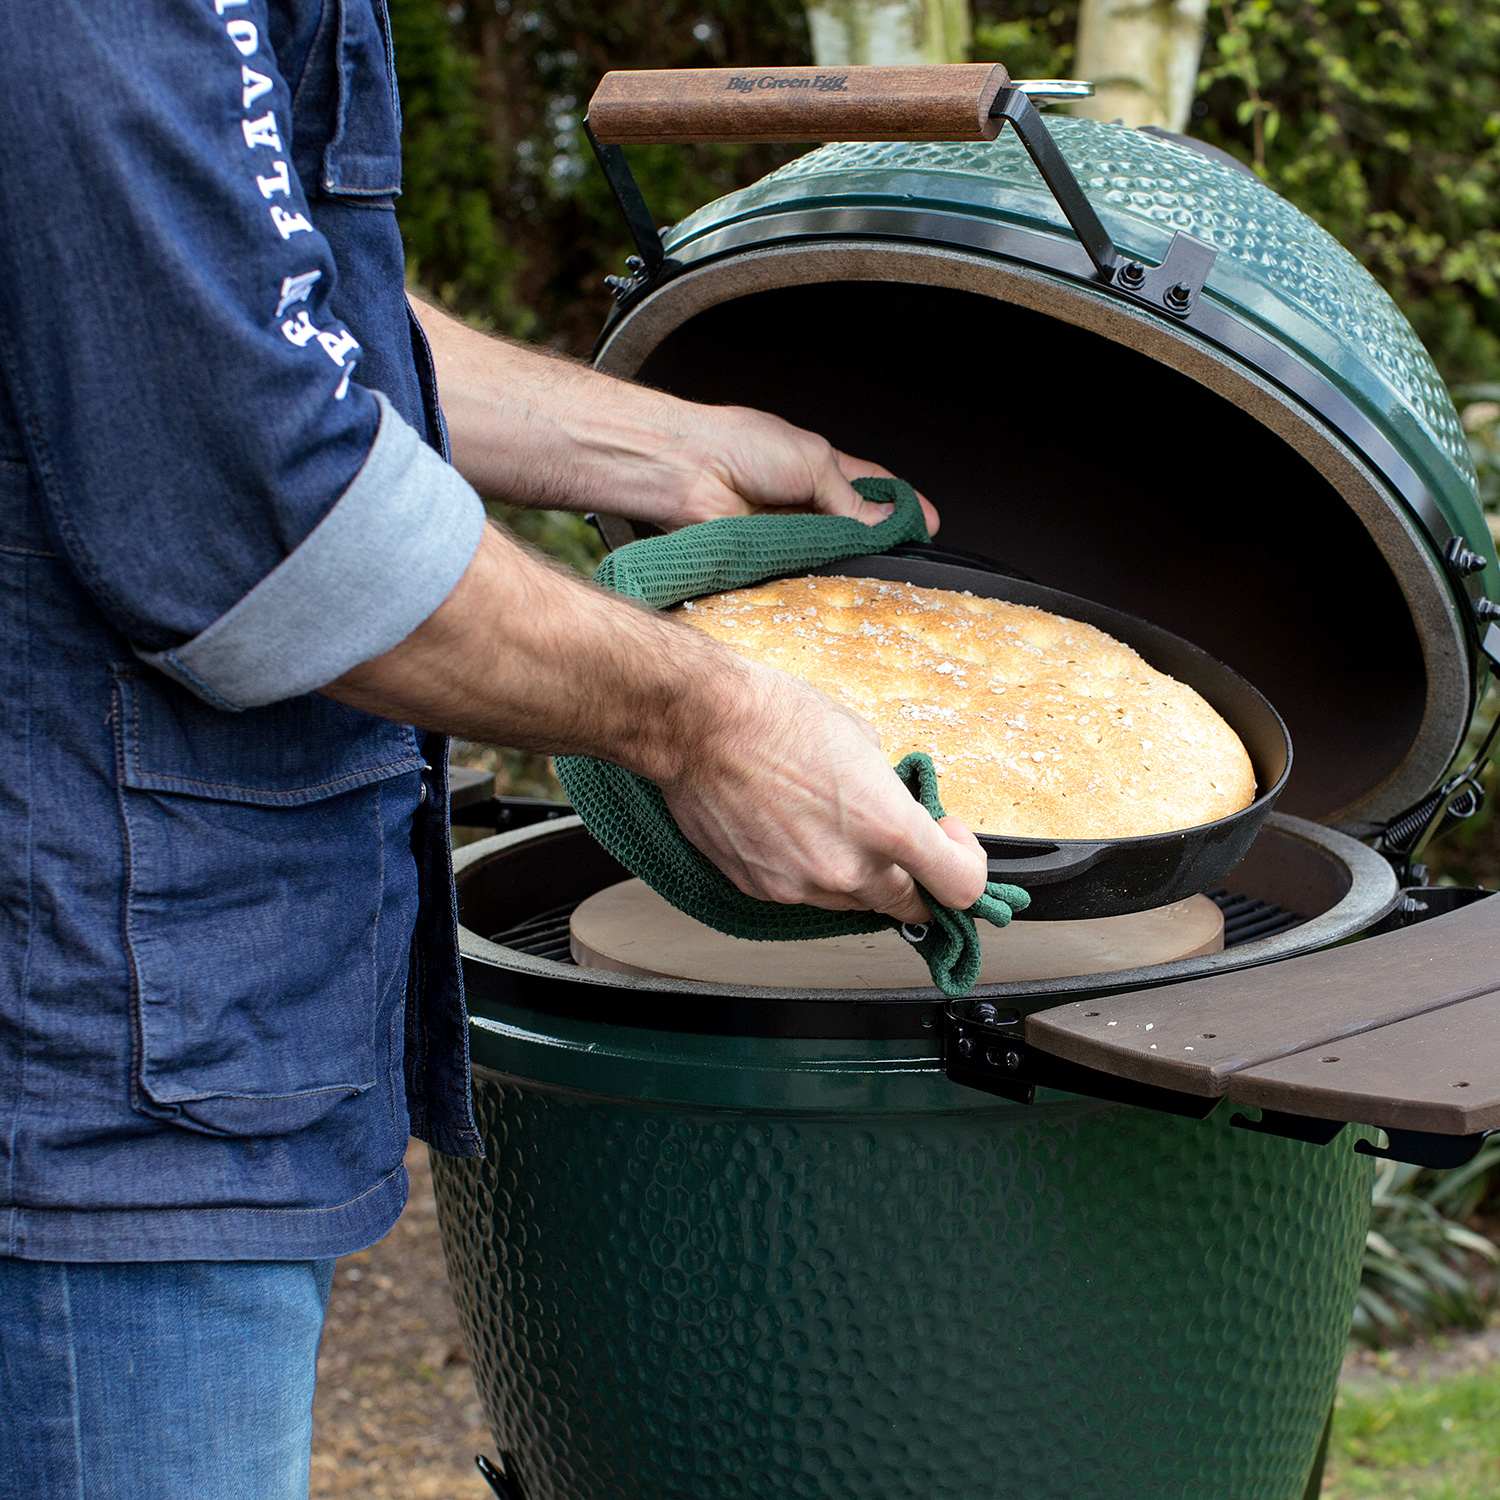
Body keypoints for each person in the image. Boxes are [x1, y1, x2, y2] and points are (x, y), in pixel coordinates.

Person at [0, 2, 987, 1493]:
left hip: (168, 1017)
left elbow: (256, 305)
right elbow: (264, 520)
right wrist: (702, 717)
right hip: (91, 1057)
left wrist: (658, 447)